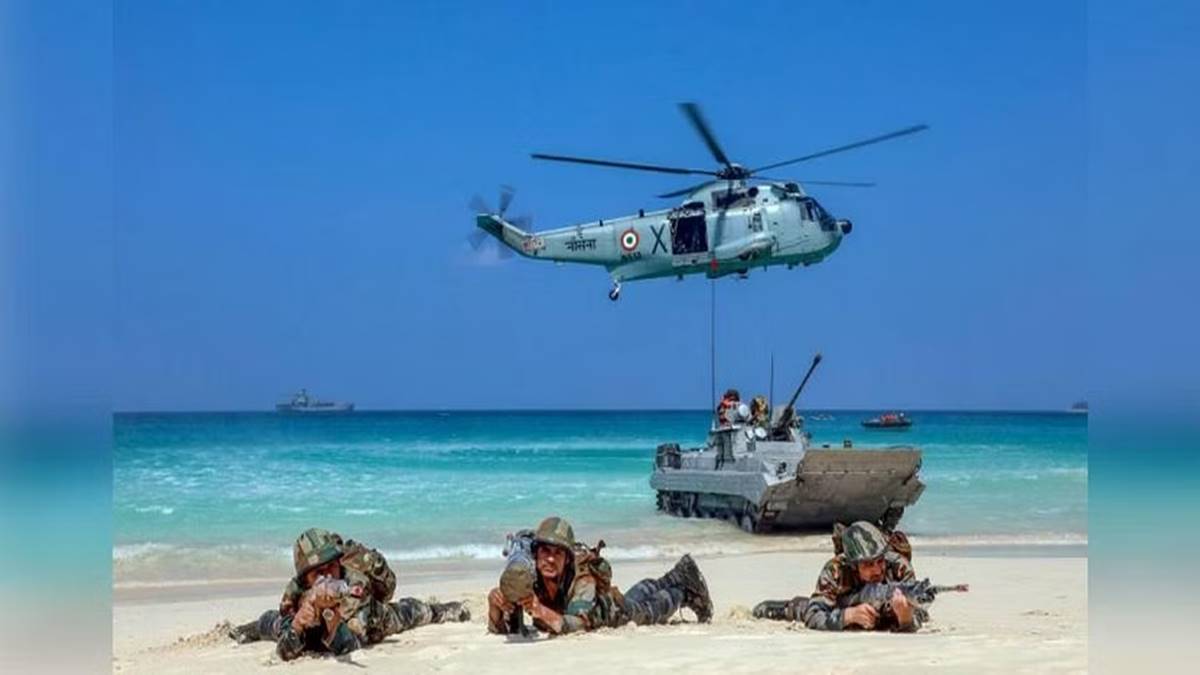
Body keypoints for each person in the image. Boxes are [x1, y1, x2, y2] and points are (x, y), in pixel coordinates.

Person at [228, 528, 470, 660]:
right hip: (312, 624)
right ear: (305, 579)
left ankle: (443, 609)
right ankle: (245, 630)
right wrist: (299, 625)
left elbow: (352, 646)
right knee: (270, 622)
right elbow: (285, 651)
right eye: (318, 572)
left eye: (331, 567)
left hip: (371, 621)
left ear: (339, 563)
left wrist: (331, 620)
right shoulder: (295, 591)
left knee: (411, 613)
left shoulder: (356, 586)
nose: (327, 577)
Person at [486, 516, 712, 636]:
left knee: (649, 610)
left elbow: (579, 625)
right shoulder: (527, 577)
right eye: (545, 551)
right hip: (614, 599)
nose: (551, 559)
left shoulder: (582, 579)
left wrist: (539, 610)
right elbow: (508, 630)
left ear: (567, 558)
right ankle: (676, 575)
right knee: (636, 595)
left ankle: (684, 591)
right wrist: (495, 605)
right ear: (535, 555)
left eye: (558, 553)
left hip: (615, 613)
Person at [753, 521, 925, 632]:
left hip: (886, 617)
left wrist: (906, 618)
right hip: (838, 607)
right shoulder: (835, 570)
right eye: (868, 564)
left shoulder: (899, 567)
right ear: (853, 565)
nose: (878, 570)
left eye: (880, 561)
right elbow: (814, 615)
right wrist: (848, 616)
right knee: (801, 608)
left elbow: (920, 613)